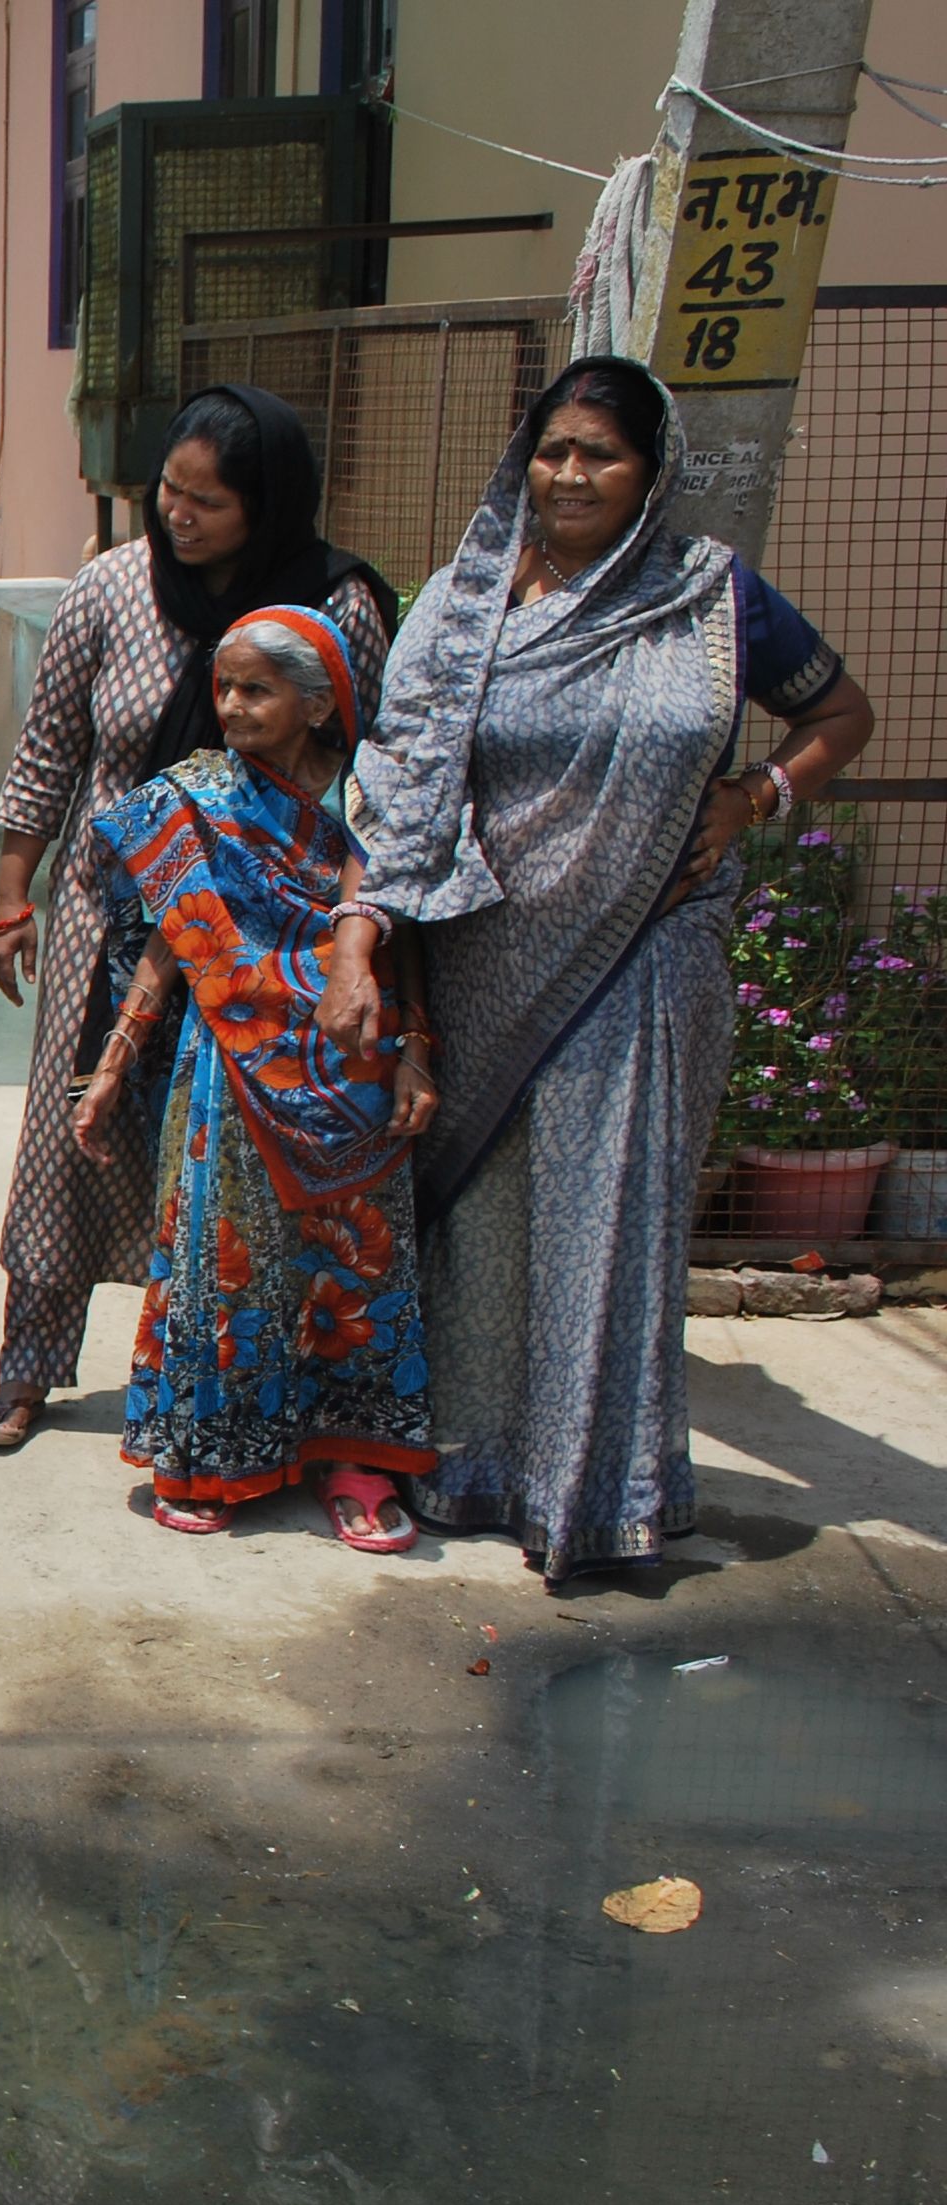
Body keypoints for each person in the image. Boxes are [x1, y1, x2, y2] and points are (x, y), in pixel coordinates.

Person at [352, 357, 872, 1576]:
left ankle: (597, 1493)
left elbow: (838, 715)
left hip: (647, 955)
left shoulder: (708, 599)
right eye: (551, 449)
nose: (569, 474)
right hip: (482, 959)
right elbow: (399, 773)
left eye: (600, 454)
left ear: (651, 476)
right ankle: (472, 1468)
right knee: (482, 1227)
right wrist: (371, 932)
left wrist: (757, 794)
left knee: (610, 1226)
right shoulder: (463, 601)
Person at [0, 385, 395, 1453]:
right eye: (167, 491)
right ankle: (27, 1365)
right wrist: (10, 896)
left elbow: (377, 769)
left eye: (207, 500)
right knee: (67, 1137)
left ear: (268, 502)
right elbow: (47, 750)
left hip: (267, 934)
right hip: (103, 912)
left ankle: (250, 1376)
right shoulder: (110, 588)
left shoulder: (329, 604)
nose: (177, 517)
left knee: (242, 1150)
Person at [70, 607, 438, 1545]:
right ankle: (212, 1450)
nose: (229, 706)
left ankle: (353, 1455)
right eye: (223, 687)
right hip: (226, 1070)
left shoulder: (370, 799)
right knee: (222, 1264)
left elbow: (403, 940)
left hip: (353, 1063)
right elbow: (173, 936)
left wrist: (417, 1057)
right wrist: (115, 1062)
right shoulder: (197, 797)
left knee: (351, 1264)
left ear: (318, 706)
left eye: (256, 690)